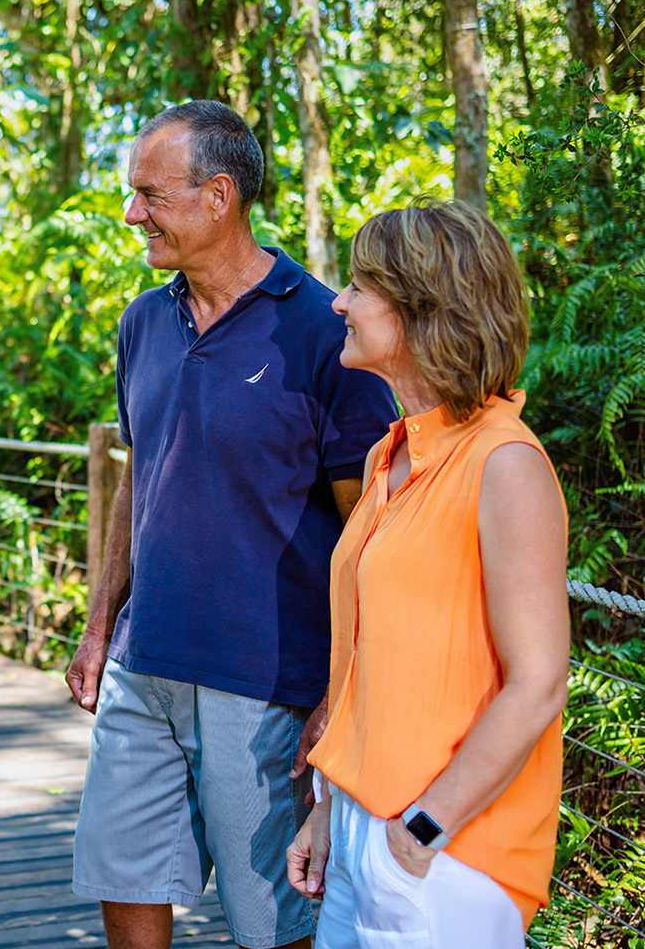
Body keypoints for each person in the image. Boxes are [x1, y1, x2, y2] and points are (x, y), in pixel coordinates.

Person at [65, 100, 400, 949]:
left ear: (219, 197)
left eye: (150, 194)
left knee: (270, 922)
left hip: (264, 679)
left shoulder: (326, 332)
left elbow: (368, 531)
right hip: (145, 662)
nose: (133, 212)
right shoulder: (142, 322)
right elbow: (140, 479)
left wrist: (342, 686)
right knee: (122, 876)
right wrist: (100, 622)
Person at [285, 200, 568, 948]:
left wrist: (421, 830)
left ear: (420, 308)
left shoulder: (505, 464)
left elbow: (538, 681)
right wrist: (329, 808)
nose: (338, 302)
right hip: (359, 826)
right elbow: (370, 665)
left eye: (357, 287)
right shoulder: (389, 455)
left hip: (443, 850)